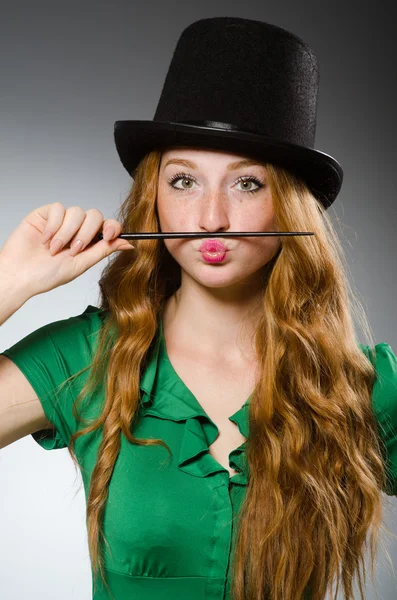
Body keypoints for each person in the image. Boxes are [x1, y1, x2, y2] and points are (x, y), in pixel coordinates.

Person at [1, 16, 396, 600]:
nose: (212, 218)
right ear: (152, 197)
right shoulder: (84, 359)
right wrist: (9, 282)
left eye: (247, 185)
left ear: (290, 206)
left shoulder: (356, 386)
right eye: (184, 182)